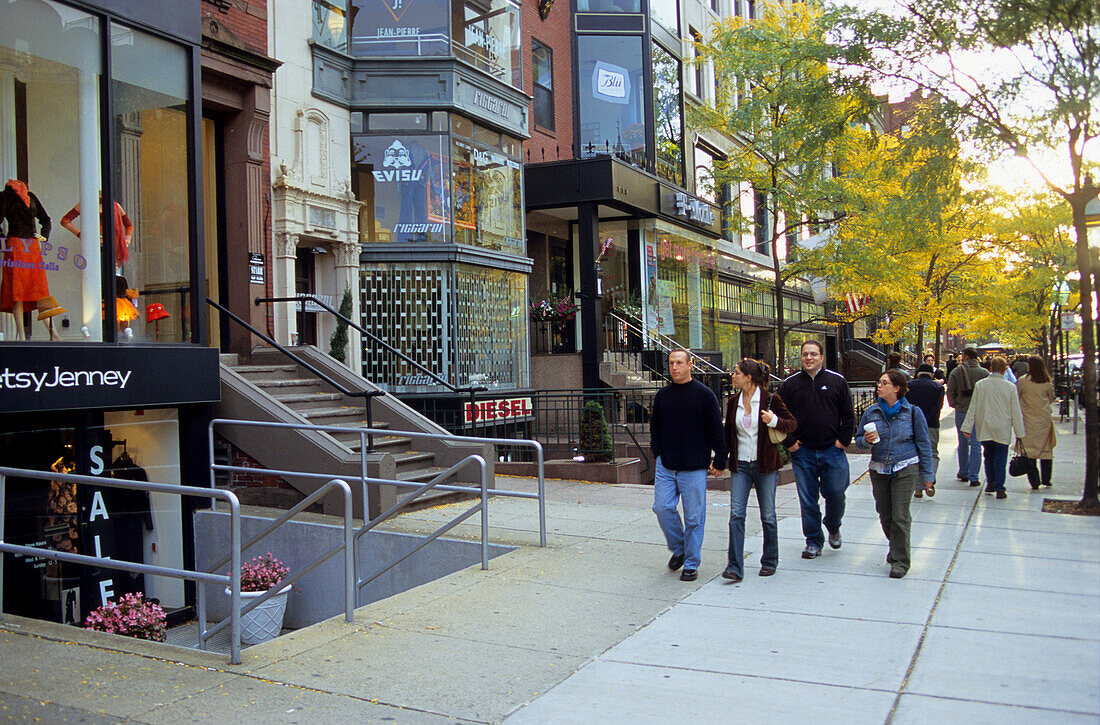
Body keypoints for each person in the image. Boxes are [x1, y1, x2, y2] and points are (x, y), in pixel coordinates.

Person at [650, 349, 728, 581]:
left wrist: (720, 460)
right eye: (671, 363)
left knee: (694, 518)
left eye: (679, 363)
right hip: (666, 464)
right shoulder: (662, 395)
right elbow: (655, 426)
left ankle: (691, 563)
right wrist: (658, 452)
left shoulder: (704, 395)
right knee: (662, 507)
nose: (674, 367)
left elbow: (716, 429)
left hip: (694, 466)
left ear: (690, 365)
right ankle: (680, 548)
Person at [721, 359, 797, 582]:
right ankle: (734, 566)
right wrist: (720, 462)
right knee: (736, 515)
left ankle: (770, 560)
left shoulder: (770, 399)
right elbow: (728, 434)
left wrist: (773, 420)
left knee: (768, 515)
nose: (732, 376)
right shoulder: (733, 401)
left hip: (765, 465)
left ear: (748, 377)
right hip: (740, 466)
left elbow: (792, 424)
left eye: (736, 373)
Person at [778, 340, 855, 559]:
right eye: (805, 354)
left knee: (836, 492)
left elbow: (848, 414)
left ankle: (833, 524)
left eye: (813, 354)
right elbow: (779, 417)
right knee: (808, 499)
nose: (809, 358)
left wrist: (843, 440)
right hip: (803, 452)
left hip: (833, 449)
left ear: (821, 357)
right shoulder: (790, 384)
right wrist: (790, 442)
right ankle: (813, 540)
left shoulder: (836, 381)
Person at [857, 370, 935, 578]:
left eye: (884, 383)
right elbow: (858, 440)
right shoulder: (872, 412)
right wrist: (866, 439)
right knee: (885, 514)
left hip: (905, 467)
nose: (879, 386)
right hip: (879, 468)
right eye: (878, 383)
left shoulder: (912, 413)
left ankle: (900, 561)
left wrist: (927, 474)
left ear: (897, 388)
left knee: (900, 516)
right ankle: (896, 546)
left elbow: (923, 444)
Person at [961, 357, 1025, 499]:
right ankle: (999, 487)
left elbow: (973, 408)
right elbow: (1016, 411)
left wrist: (967, 427)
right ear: (1005, 369)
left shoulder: (980, 385)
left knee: (988, 456)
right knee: (1000, 459)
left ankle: (990, 482)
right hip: (1003, 427)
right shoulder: (1010, 387)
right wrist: (1019, 432)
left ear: (991, 368)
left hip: (985, 425)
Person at [947, 347, 989, 486]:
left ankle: (963, 472)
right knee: (976, 443)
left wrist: (955, 404)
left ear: (965, 356)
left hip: (962, 410)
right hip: (978, 412)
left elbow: (950, 391)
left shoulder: (956, 372)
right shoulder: (984, 373)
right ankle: (974, 476)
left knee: (963, 441)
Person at [1016, 355, 1057, 489]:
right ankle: (1046, 479)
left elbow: (1018, 396)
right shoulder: (1047, 382)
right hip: (1044, 419)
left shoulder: (1022, 381)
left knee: (1030, 451)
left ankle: (1034, 482)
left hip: (1028, 419)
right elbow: (1051, 398)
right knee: (1046, 450)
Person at [906, 363, 946, 496]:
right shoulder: (938, 387)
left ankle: (918, 488)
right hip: (931, 424)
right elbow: (938, 408)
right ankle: (930, 480)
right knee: (932, 452)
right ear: (932, 375)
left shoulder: (910, 386)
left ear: (917, 374)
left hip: (913, 424)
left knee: (916, 453)